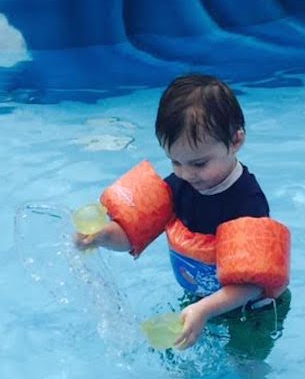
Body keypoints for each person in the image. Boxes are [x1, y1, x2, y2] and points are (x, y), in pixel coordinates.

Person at [75, 74, 289, 351]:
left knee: (244, 363)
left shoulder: (248, 203)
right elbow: (131, 235)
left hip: (252, 311)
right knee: (174, 355)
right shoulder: (178, 186)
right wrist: (101, 236)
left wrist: (204, 310)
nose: (187, 174)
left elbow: (253, 284)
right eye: (175, 162)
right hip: (201, 300)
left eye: (199, 164)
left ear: (236, 141)